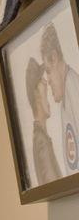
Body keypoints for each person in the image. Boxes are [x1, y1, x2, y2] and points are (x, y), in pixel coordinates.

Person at [40, 25, 79, 171]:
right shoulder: (66, 96)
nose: (48, 81)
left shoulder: (74, 88)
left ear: (55, 58)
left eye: (48, 71)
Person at [27, 58, 59, 186]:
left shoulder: (41, 138)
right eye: (42, 81)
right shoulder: (41, 142)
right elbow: (55, 187)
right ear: (36, 94)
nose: (46, 83)